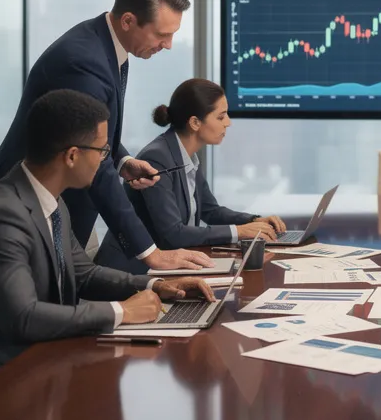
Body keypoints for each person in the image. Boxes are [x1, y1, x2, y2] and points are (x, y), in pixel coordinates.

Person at [0, 90, 216, 420]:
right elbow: (22, 317)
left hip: (31, 363)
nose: (105, 161)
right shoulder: (1, 217)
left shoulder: (49, 200)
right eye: (102, 150)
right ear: (71, 156)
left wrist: (157, 285)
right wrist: (122, 311)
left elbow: (84, 274)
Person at [0, 0, 211, 271]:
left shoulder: (104, 46)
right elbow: (92, 159)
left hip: (53, 211)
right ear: (128, 21)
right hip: (26, 213)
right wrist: (150, 253)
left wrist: (122, 160)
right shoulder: (84, 62)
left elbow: (89, 134)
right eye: (161, 34)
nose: (167, 44)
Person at [95, 78, 289, 274]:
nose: (228, 123)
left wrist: (254, 221)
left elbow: (210, 211)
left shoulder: (186, 155)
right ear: (195, 123)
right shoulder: (157, 157)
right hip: (128, 273)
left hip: (165, 267)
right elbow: (173, 234)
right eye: (221, 117)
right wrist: (239, 232)